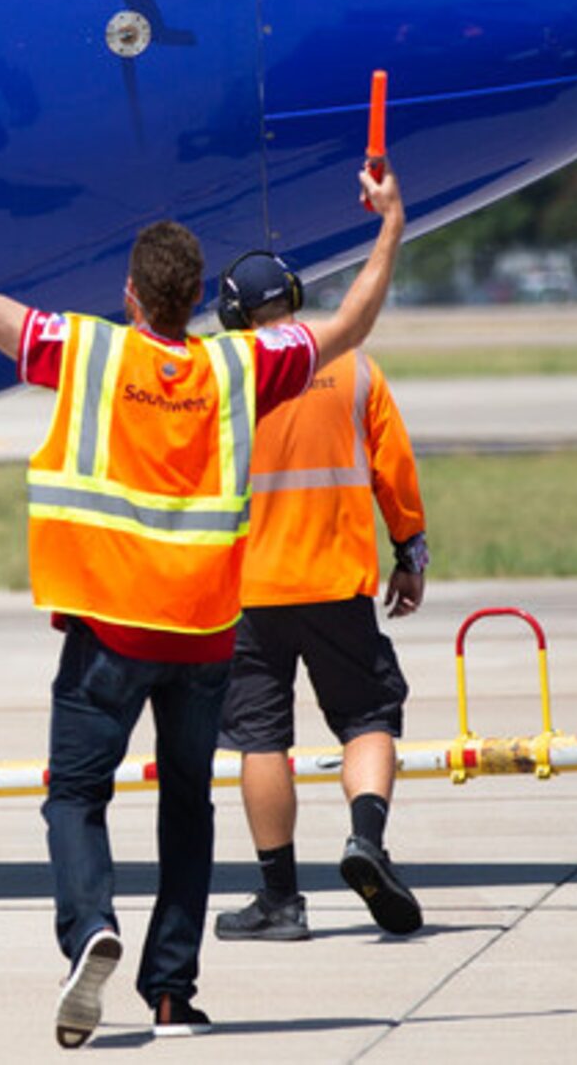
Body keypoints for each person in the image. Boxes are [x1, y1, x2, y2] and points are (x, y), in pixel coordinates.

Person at [0, 132, 407, 1047]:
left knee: (75, 798)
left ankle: (91, 930)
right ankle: (171, 990)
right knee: (186, 808)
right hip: (204, 638)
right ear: (199, 299)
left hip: (111, 635)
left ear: (131, 295)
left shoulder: (87, 354)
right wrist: (389, 222)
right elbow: (348, 325)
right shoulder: (239, 366)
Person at [207, 251, 431, 944]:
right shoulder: (356, 366)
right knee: (368, 716)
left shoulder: (223, 375)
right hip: (338, 583)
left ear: (235, 314)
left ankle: (281, 900)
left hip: (250, 591)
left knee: (261, 739)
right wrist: (411, 553)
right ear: (296, 298)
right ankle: (367, 841)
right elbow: (394, 469)